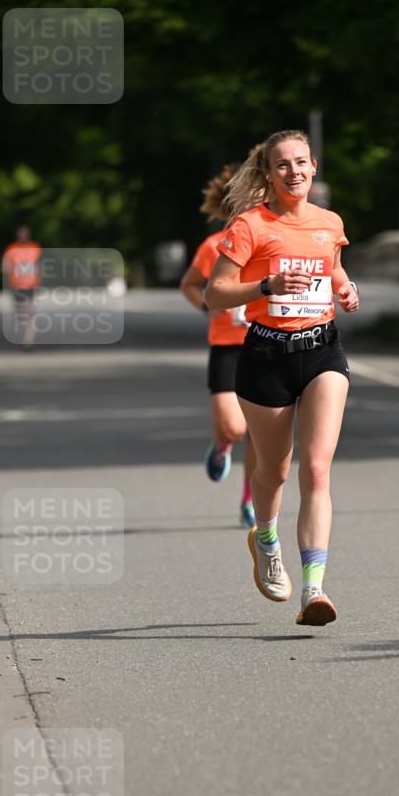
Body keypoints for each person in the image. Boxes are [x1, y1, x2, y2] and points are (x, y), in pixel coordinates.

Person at [205, 129, 359, 626]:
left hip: (322, 351)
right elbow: (215, 293)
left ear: (314, 166)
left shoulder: (329, 222)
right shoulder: (250, 225)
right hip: (267, 356)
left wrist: (346, 288)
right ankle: (265, 538)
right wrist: (266, 285)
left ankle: (314, 590)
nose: (294, 172)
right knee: (274, 471)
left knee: (317, 469)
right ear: (268, 174)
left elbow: (332, 268)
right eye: (282, 165)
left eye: (301, 162)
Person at [180, 165, 256, 529]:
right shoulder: (213, 247)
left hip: (266, 343)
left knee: (260, 431)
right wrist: (207, 305)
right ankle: (223, 445)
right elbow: (190, 284)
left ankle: (250, 501)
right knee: (234, 428)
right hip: (226, 346)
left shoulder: (273, 240)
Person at [2, 225, 41, 347]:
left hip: (30, 285)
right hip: (16, 285)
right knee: (18, 312)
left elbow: (38, 265)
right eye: (20, 234)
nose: (22, 237)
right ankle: (23, 332)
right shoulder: (11, 249)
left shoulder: (35, 247)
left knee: (30, 312)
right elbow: (5, 265)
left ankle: (28, 340)